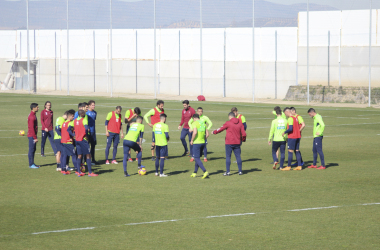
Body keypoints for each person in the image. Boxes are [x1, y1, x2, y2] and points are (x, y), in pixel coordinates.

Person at [74, 110, 98, 176]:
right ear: (81, 114)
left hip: (77, 140)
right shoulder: (83, 120)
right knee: (88, 155)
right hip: (83, 139)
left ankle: (78, 171)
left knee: (79, 155)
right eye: (84, 113)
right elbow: (86, 128)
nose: (85, 114)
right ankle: (90, 172)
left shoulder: (75, 120)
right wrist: (87, 136)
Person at [60, 109, 80, 175]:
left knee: (65, 155)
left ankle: (63, 169)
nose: (73, 117)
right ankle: (77, 170)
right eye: (73, 116)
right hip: (68, 142)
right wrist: (73, 135)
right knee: (74, 155)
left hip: (63, 141)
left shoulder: (64, 123)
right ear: (70, 116)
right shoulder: (70, 123)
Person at [189, 114, 209, 179]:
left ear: (194, 118)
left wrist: (192, 140)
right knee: (197, 159)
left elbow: (194, 133)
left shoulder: (194, 123)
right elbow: (207, 134)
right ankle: (195, 172)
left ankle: (205, 171)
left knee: (196, 158)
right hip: (203, 143)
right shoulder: (203, 123)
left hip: (196, 143)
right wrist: (203, 139)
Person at [27, 103, 40, 169]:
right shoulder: (32, 116)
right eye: (37, 107)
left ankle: (32, 163)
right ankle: (31, 164)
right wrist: (35, 137)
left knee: (33, 149)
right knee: (31, 150)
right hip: (32, 136)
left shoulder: (33, 115)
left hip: (32, 135)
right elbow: (32, 128)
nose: (38, 108)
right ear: (33, 108)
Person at [86, 100, 98, 164]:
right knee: (87, 146)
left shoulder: (95, 113)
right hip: (88, 132)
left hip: (93, 132)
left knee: (93, 146)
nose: (94, 106)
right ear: (89, 106)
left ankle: (93, 159)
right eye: (92, 105)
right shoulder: (86, 113)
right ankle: (86, 160)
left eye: (94, 105)